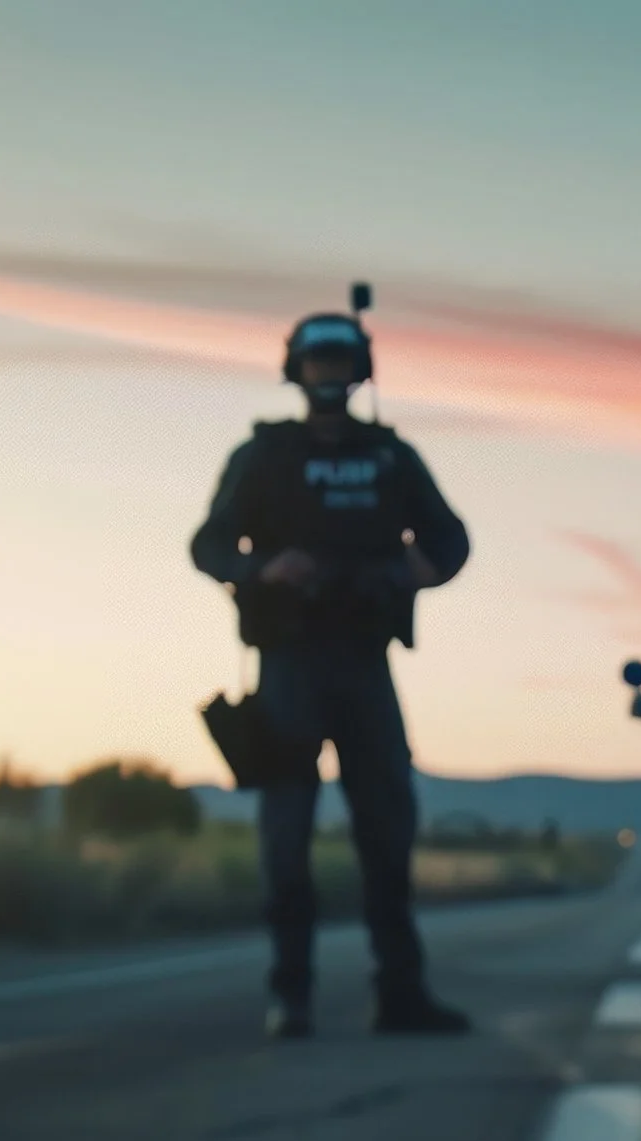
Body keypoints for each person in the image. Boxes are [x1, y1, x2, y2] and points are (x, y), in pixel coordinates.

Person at [191, 311, 472, 1038]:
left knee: (388, 828)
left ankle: (401, 994)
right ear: (296, 367)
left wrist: (418, 570)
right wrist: (264, 568)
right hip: (289, 663)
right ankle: (291, 996)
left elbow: (450, 536)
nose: (329, 373)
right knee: (285, 837)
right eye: (318, 360)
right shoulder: (266, 457)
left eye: (341, 360)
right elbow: (209, 543)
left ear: (361, 367)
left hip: (365, 660)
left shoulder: (389, 456)